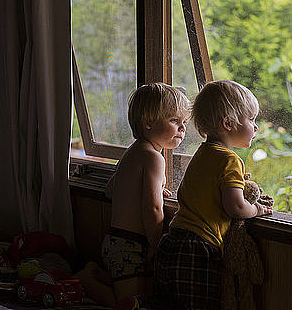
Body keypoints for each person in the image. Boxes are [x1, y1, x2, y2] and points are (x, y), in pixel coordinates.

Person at [154, 80, 272, 310]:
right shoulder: (229, 159)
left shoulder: (202, 153)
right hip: (198, 248)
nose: (256, 127)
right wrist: (258, 209)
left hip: (172, 240)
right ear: (228, 123)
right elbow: (236, 207)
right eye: (252, 119)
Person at [76, 82, 189, 309]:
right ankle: (87, 280)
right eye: (175, 121)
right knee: (127, 303)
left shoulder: (132, 152)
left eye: (184, 122)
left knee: (135, 288)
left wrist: (144, 188)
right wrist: (157, 243)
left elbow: (110, 189)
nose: (182, 129)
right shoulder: (155, 158)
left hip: (116, 239)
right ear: (149, 123)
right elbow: (153, 208)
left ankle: (96, 273)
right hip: (131, 244)